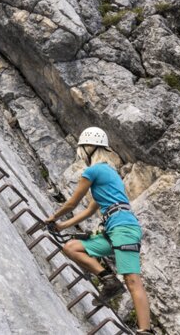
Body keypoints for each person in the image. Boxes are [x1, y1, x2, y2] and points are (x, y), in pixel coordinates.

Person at [44, 127, 153, 334]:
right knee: (71, 247)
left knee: (132, 279)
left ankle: (145, 331)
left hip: (123, 228)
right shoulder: (109, 174)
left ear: (87, 148)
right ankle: (109, 280)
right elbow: (89, 210)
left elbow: (72, 203)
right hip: (115, 229)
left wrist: (53, 217)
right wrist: (62, 226)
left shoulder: (93, 171)